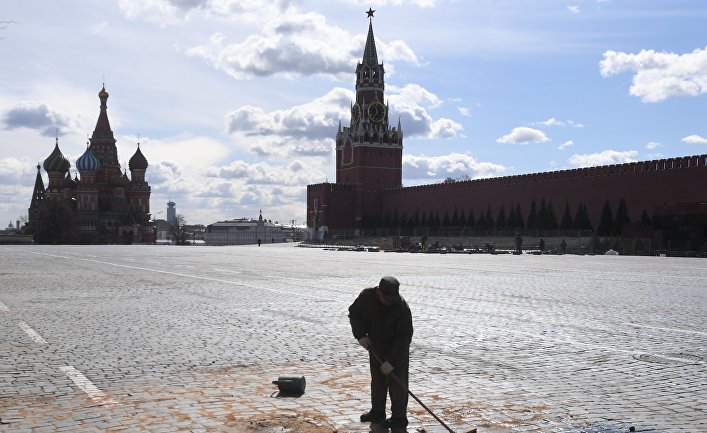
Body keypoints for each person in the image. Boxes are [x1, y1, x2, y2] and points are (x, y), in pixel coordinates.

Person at [349, 276, 413, 429]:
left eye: (392, 299)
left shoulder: (402, 308)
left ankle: (399, 418)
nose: (390, 302)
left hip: (396, 349)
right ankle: (377, 412)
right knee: (377, 381)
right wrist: (361, 335)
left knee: (398, 384)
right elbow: (354, 313)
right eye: (387, 298)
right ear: (378, 291)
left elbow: (404, 338)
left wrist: (391, 362)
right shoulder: (367, 297)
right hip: (376, 344)